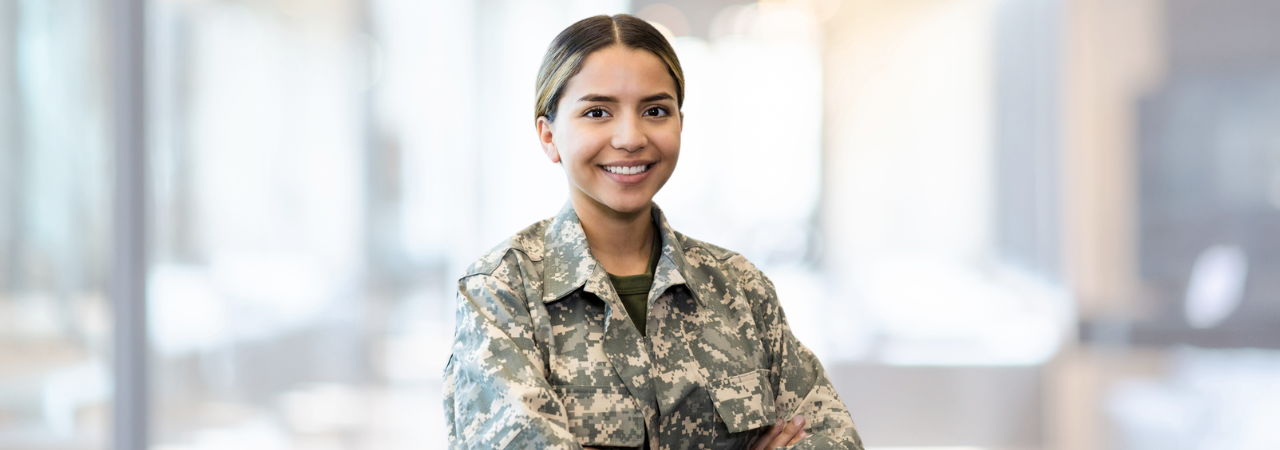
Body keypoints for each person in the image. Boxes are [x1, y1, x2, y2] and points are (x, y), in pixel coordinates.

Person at [443, 14, 864, 450]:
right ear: (548, 135)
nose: (630, 137)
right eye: (597, 112)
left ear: (680, 123)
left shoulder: (739, 288)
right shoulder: (501, 294)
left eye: (655, 111)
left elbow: (833, 440)